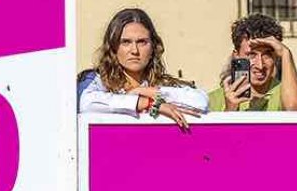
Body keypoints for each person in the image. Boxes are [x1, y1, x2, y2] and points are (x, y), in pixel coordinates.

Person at [78, 8, 208, 130]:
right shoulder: (96, 81)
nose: (134, 50)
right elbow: (85, 103)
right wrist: (147, 103)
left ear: (153, 47)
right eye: (126, 42)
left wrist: (146, 91)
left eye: (142, 42)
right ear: (113, 47)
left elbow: (200, 101)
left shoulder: (162, 83)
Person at [208, 13, 297, 112]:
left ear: (275, 56)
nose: (260, 65)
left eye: (267, 55)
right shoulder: (213, 100)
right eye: (251, 55)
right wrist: (230, 110)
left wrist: (286, 53)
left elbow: (293, 109)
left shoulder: (290, 92)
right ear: (236, 56)